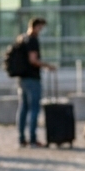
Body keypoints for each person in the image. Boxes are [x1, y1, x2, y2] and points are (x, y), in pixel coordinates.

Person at [13, 17, 57, 148]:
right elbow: (33, 60)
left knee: (23, 108)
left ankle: (22, 138)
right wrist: (47, 66)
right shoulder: (32, 40)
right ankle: (32, 139)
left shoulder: (22, 38)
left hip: (22, 78)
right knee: (34, 109)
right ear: (36, 26)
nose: (41, 30)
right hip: (32, 78)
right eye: (41, 27)